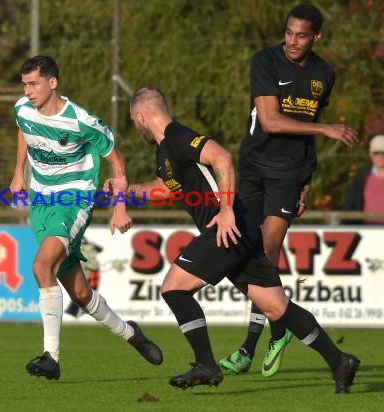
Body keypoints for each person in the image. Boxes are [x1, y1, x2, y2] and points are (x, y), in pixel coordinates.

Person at [112, 86, 359, 394]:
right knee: (276, 307)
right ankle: (340, 361)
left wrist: (227, 210)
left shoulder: (177, 136)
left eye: (135, 122)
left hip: (226, 227)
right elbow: (164, 189)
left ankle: (206, 364)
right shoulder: (164, 151)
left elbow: (223, 158)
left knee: (173, 289)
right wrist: (126, 189)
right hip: (238, 229)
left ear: (141, 116)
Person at [219, 4, 359, 377]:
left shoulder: (323, 73)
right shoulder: (265, 61)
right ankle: (278, 329)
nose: (292, 41)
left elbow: (307, 129)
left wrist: (307, 183)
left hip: (289, 175)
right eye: (288, 32)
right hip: (252, 170)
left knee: (265, 253)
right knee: (246, 255)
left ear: (317, 37)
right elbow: (269, 120)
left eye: (301, 35)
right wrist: (327, 129)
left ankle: (250, 346)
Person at [9, 55, 163, 380]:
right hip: (41, 202)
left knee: (41, 267)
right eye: (25, 84)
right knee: (79, 293)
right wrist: (18, 173)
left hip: (74, 199)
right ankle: (130, 333)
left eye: (34, 83)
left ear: (53, 83)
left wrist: (120, 206)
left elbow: (117, 161)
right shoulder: (22, 108)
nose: (28, 90)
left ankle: (51, 357)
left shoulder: (82, 121)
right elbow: (24, 130)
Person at [342, 134, 384, 224]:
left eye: (383, 152)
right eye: (376, 153)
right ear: (370, 154)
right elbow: (351, 204)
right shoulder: (362, 176)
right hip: (367, 233)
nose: (380, 156)